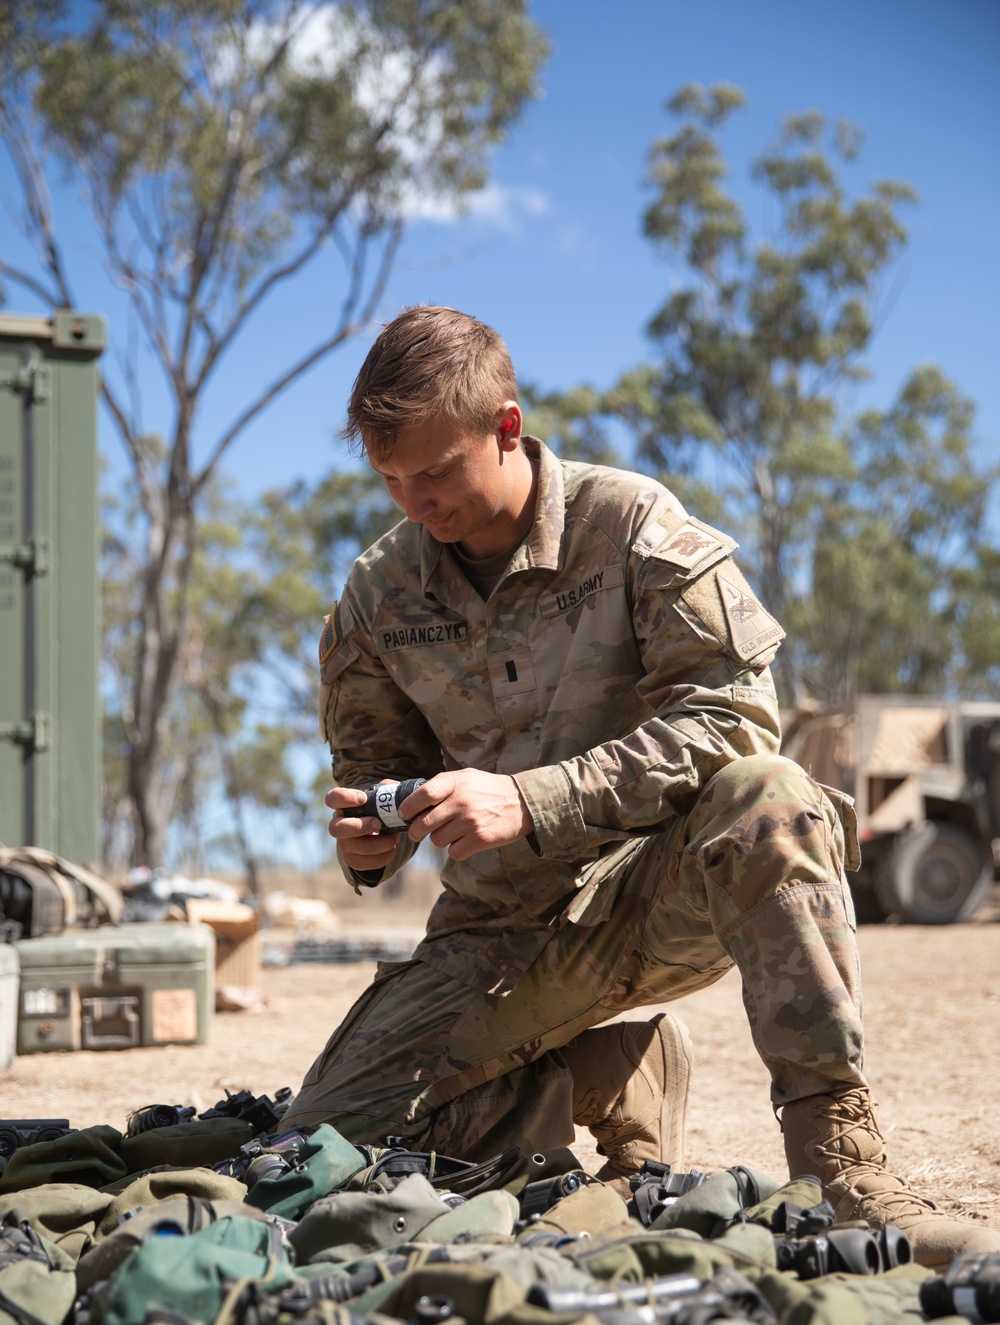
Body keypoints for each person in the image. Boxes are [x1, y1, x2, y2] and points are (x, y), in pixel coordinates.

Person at [286, 305, 998, 1267]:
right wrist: (372, 837)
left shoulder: (630, 527)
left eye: (437, 472)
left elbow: (735, 720)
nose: (415, 502)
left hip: (660, 888)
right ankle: (607, 1074)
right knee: (328, 1149)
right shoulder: (379, 594)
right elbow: (373, 773)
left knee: (772, 793)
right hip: (499, 933)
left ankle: (844, 1165)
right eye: (391, 478)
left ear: (507, 428)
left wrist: (531, 799)